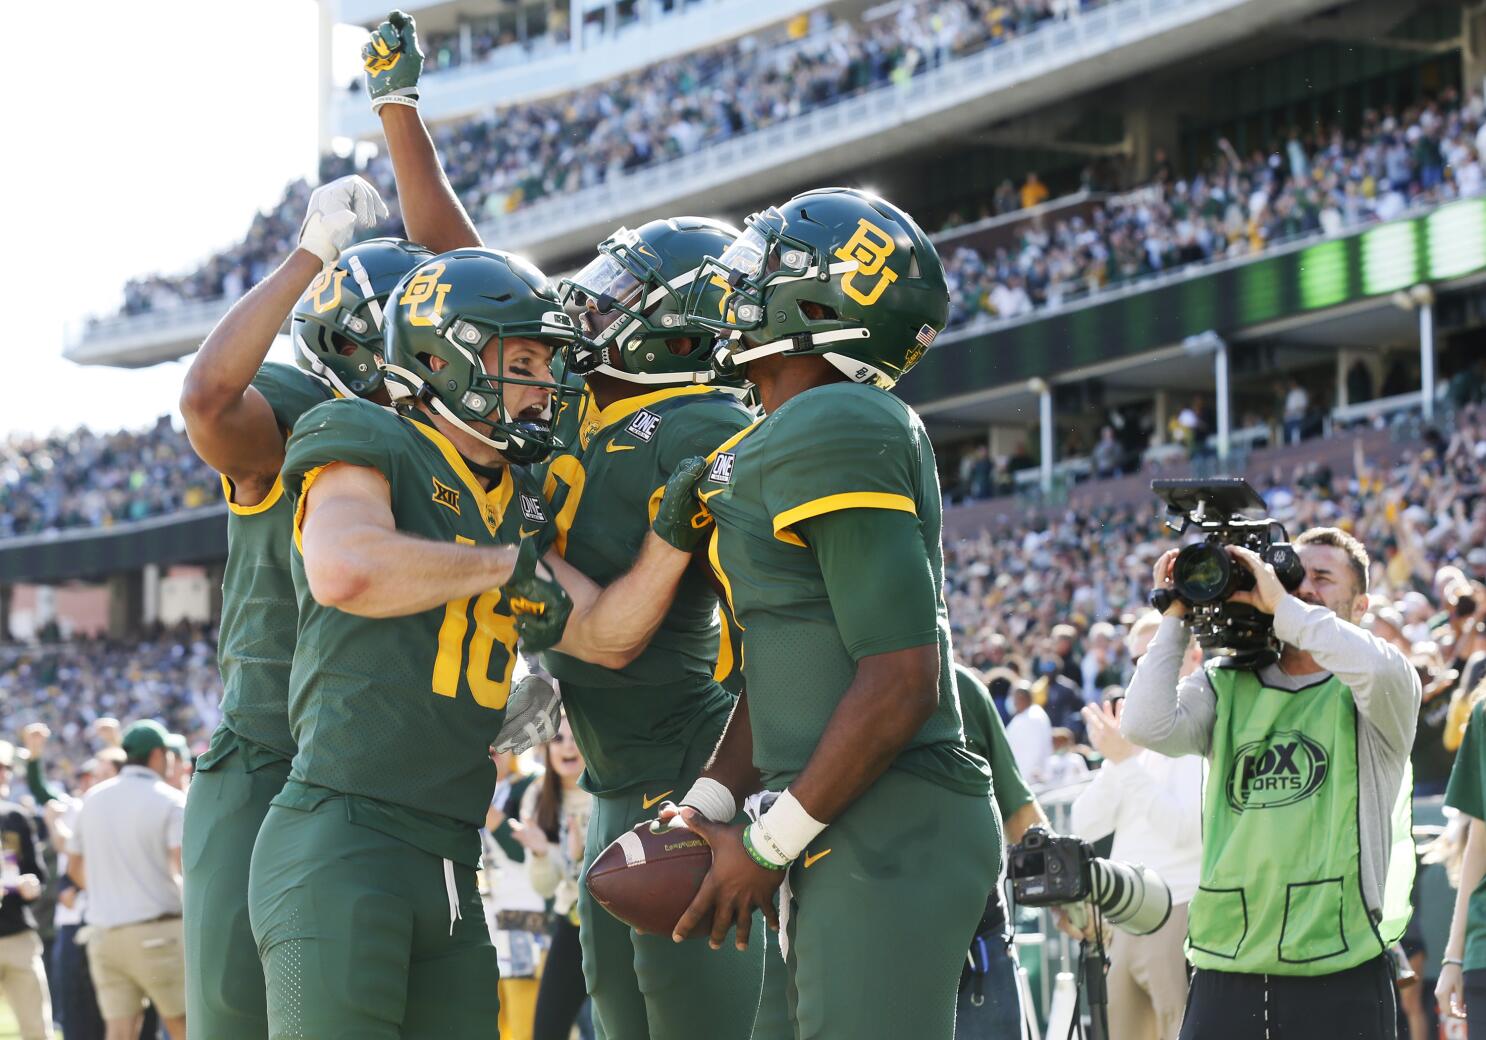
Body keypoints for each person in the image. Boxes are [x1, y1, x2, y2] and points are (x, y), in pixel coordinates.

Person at [360, 14, 772, 1035]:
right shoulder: (585, 399)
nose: (591, 301)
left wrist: (739, 804)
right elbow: (467, 262)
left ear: (680, 323)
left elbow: (775, 626)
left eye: (624, 289)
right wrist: (400, 111)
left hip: (682, 776)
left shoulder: (707, 425)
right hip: (613, 778)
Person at [246, 244, 709, 1039]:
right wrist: (501, 568)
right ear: (438, 355)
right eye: (522, 361)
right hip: (343, 839)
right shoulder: (366, 431)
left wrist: (674, 531)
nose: (541, 387)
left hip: (454, 857)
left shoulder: (520, 498)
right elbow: (345, 568)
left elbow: (606, 636)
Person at [660, 187, 1000, 1040]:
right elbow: (790, 669)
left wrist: (768, 844)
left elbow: (900, 680)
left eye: (767, 267)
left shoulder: (839, 422)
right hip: (829, 805)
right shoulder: (777, 433)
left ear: (821, 304)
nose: (739, 283)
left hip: (889, 812)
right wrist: (710, 799)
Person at [177, 171, 427, 1040]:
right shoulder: (303, 412)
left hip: (391, 778)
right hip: (272, 759)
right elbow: (209, 400)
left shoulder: (459, 446)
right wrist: (311, 254)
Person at [1123, 528, 1421, 1040]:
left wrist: (1284, 606)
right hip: (1227, 965)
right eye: (1292, 573)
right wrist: (1175, 617)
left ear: (1362, 603)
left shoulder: (1378, 686)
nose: (1302, 586)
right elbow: (1145, 726)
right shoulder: (1226, 682)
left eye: (1323, 578)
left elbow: (1375, 666)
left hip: (1340, 964)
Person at [1072, 659, 1202, 1040]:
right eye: (1135, 661)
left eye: (1148, 658)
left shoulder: (1194, 733)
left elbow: (1182, 830)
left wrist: (1125, 762)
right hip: (1124, 915)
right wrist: (1120, 761)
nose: (1139, 673)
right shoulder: (1132, 747)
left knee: (1179, 1029)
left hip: (1176, 907)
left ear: (1190, 659)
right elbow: (1084, 824)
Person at [69, 721, 188, 1040]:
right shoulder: (170, 799)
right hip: (157, 931)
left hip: (104, 935)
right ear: (158, 754)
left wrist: (111, 893)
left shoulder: (91, 799)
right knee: (184, 1025)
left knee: (120, 1032)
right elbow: (183, 868)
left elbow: (74, 866)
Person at [954, 664, 1052, 1039]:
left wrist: (1067, 899)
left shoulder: (959, 685)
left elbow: (1020, 817)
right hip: (872, 946)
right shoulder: (822, 689)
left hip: (978, 943)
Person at [513, 717, 594, 1040]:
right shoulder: (537, 795)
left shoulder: (605, 791)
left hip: (614, 925)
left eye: (576, 738)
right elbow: (544, 886)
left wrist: (576, 858)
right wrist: (544, 853)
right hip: (571, 921)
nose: (567, 747)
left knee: (610, 1027)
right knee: (546, 1030)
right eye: (558, 739)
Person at [0, 740, 51, 1040]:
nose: (3, 774)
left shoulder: (16, 816)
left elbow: (37, 873)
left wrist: (32, 885)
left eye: (5, 768)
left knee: (37, 1029)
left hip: (18, 934)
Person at [1006, 681, 1052, 785]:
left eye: (1015, 698)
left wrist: (1028, 776)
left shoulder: (1033, 717)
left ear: (1022, 698)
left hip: (1031, 779)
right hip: (1025, 778)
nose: (1013, 702)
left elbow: (1034, 750)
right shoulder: (1027, 715)